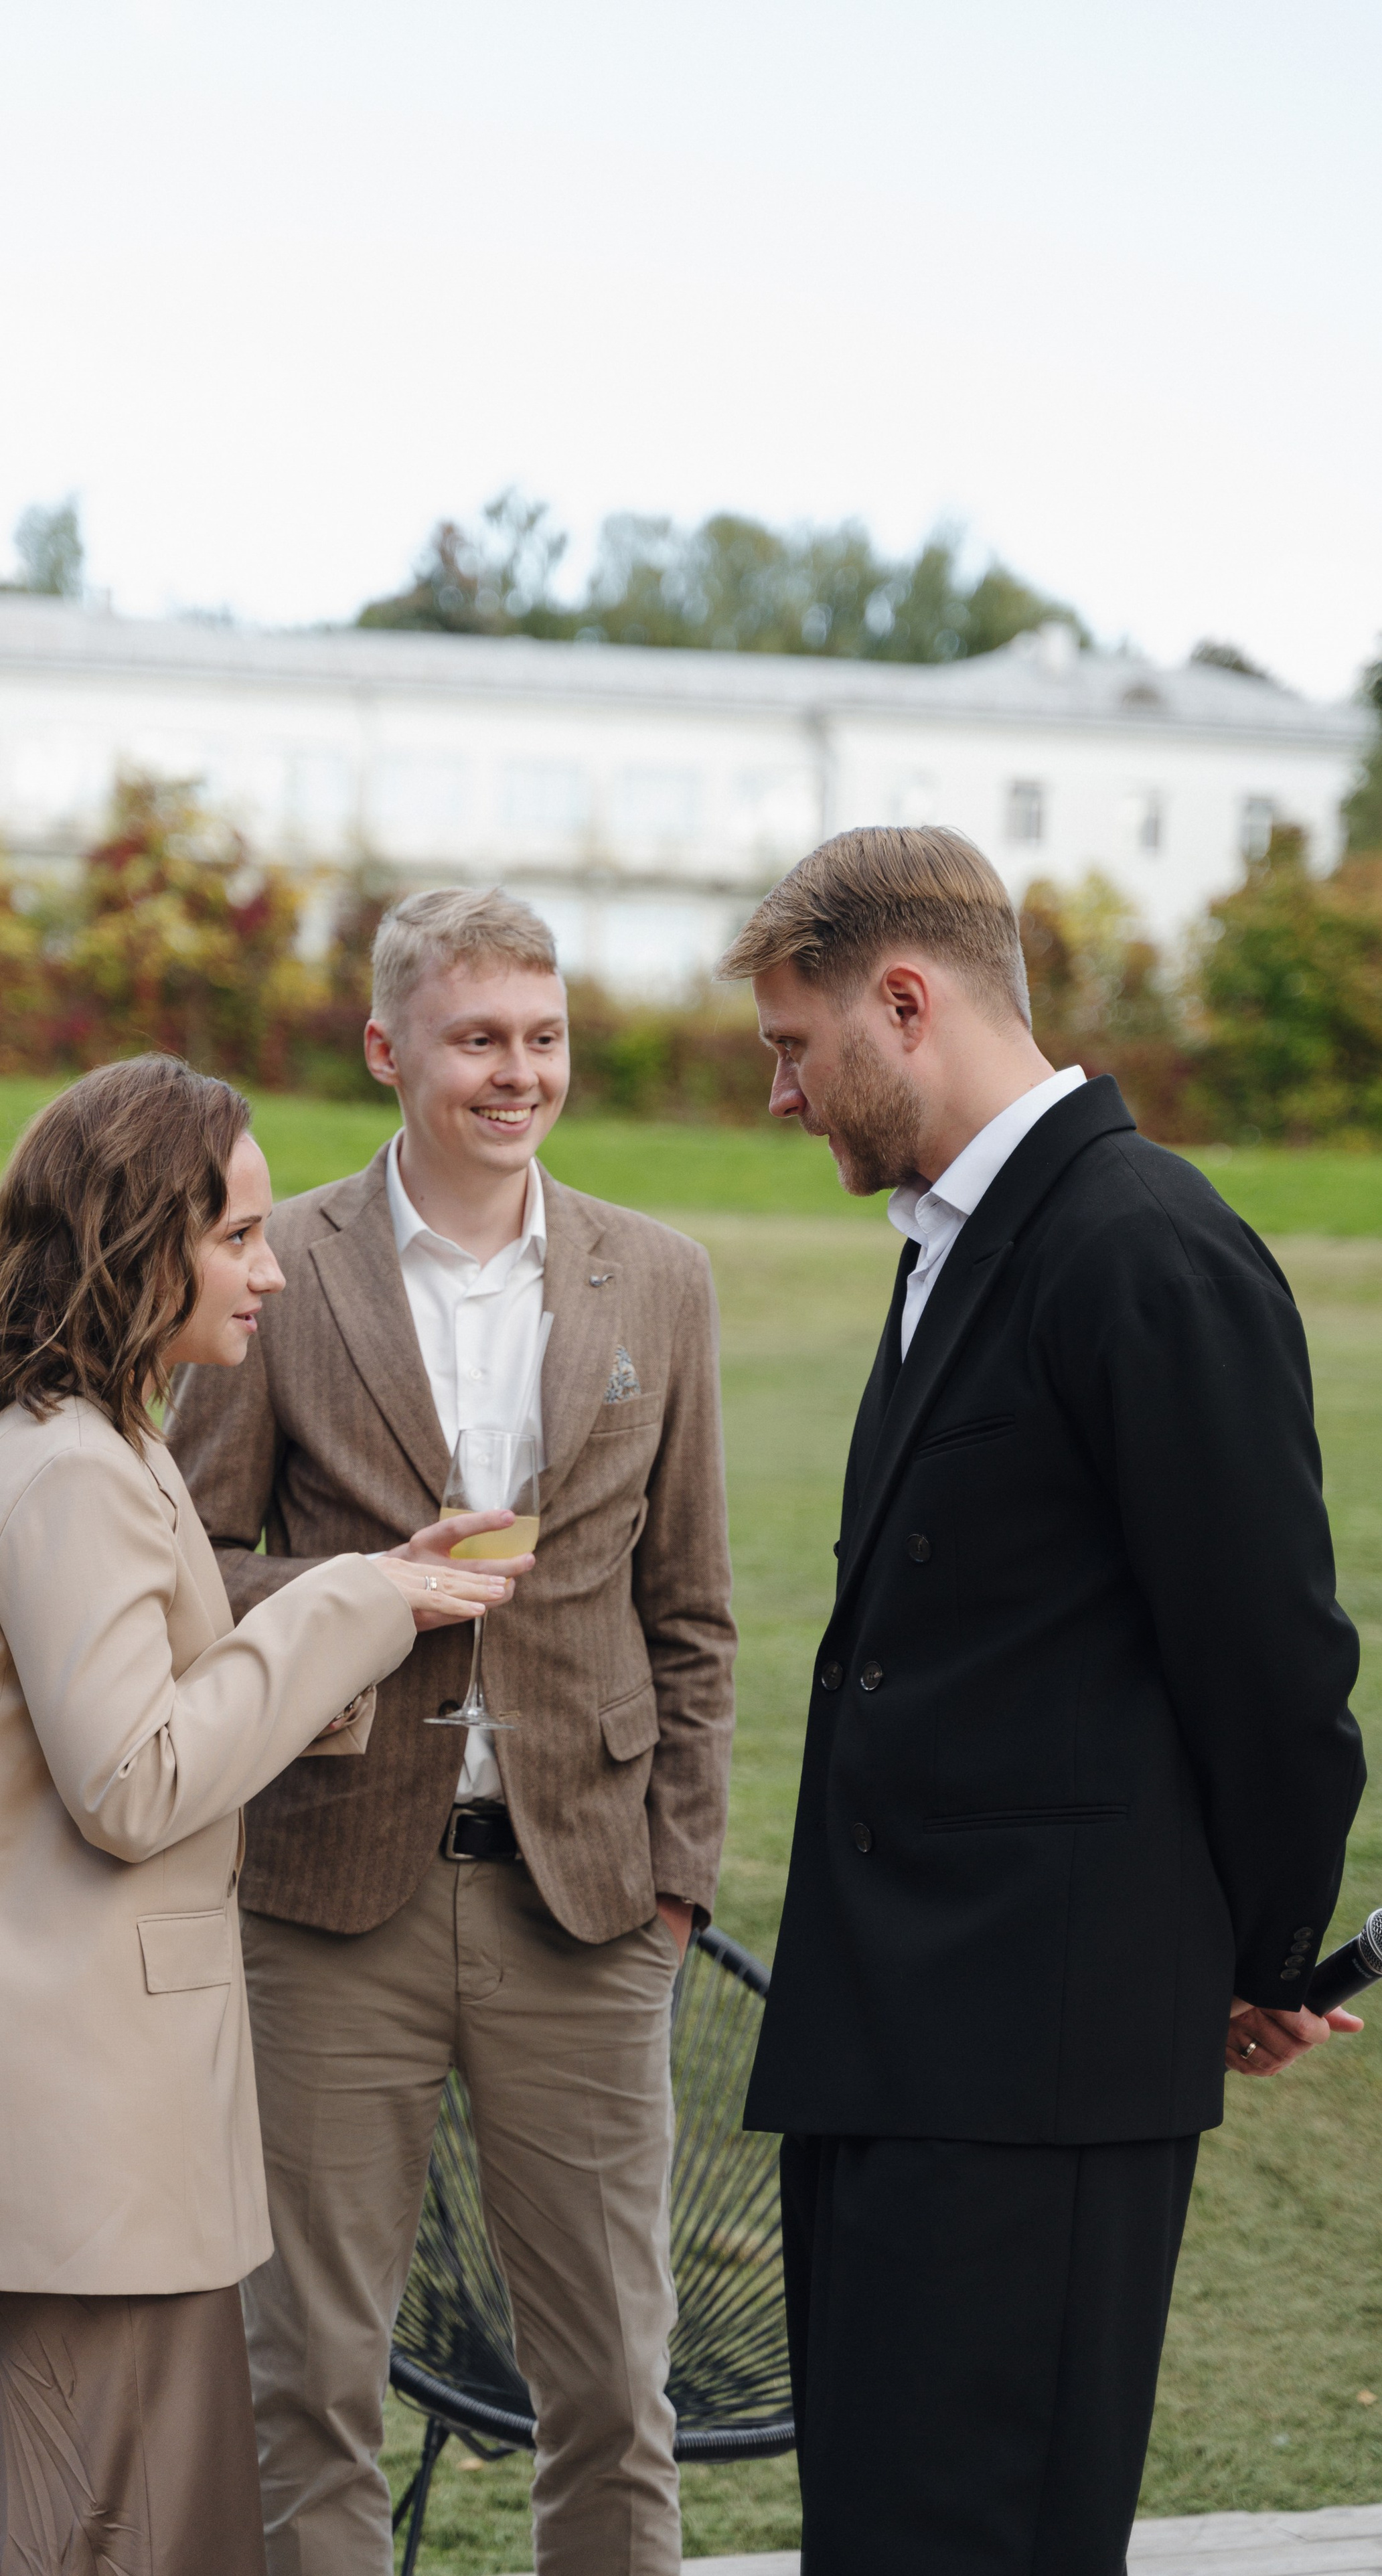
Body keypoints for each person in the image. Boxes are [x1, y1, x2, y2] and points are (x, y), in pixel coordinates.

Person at [719, 825, 1367, 2576]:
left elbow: (1274, 1663)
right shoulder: (958, 1239)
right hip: (901, 2051)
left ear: (906, 1001)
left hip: (1036, 2065)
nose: (785, 1096)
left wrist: (1268, 1957)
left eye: (796, 1044)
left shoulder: (1146, 1248)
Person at [0, 1054, 530, 2576]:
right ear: (134, 1239)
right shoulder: (74, 1470)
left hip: (77, 2119)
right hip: (77, 2127)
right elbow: (135, 1779)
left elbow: (140, 1682)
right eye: (236, 1234)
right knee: (61, 2527)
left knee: (65, 2517)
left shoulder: (74, 1438)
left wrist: (369, 1598)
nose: (273, 1269)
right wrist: (353, 1601)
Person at [167, 887, 736, 2576]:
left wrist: (674, 1887)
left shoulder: (663, 1280)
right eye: (478, 1038)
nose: (515, 1074)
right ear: (387, 1046)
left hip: (587, 1902)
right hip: (330, 1896)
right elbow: (187, 1562)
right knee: (309, 2376)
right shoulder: (283, 1267)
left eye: (541, 1038)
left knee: (615, 2388)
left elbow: (691, 1611)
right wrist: (367, 1585)